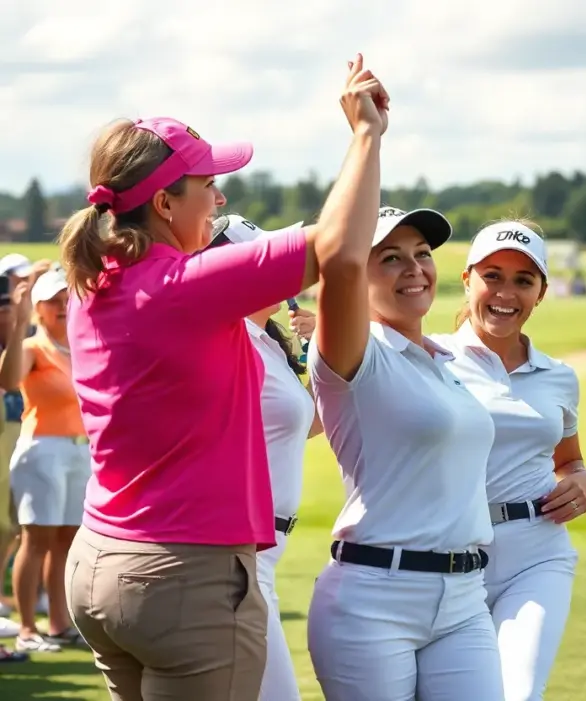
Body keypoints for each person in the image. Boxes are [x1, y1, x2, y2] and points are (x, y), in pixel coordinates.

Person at [58, 54, 381, 699]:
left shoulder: (92, 285)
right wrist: (366, 135)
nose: (220, 196)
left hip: (99, 563)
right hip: (183, 575)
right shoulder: (182, 288)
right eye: (208, 182)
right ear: (163, 202)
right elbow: (343, 248)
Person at [305, 62, 502, 700]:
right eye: (390, 258)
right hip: (373, 599)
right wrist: (368, 136)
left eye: (422, 255)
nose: (414, 268)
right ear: (360, 276)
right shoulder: (354, 353)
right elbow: (336, 263)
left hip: (466, 597)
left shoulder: (448, 362)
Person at [430, 220, 586, 701]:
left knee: (518, 694)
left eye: (524, 280)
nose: (506, 292)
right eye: (493, 276)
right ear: (467, 280)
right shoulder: (431, 358)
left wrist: (583, 482)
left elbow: (571, 461)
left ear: (541, 292)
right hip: (449, 560)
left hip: (537, 555)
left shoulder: (558, 377)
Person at [207, 214, 324, 700]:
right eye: (263, 260)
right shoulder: (226, 341)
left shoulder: (266, 341)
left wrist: (322, 346)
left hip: (263, 549)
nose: (279, 269)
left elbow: (308, 424)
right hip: (236, 551)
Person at [0, 270, 89, 653]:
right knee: (36, 540)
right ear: (39, 307)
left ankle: (58, 622)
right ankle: (25, 627)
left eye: (67, 300)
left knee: (67, 542)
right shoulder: (34, 348)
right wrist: (19, 324)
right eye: (54, 301)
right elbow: (7, 380)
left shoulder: (82, 346)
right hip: (42, 449)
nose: (63, 307)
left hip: (79, 449)